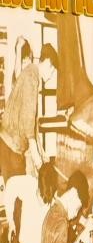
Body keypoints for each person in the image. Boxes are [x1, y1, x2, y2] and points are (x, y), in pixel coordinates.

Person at [0, 43, 56, 178]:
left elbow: (31, 123)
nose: (50, 76)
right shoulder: (32, 77)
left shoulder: (30, 72)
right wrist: (39, 164)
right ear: (47, 62)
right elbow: (29, 126)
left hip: (8, 143)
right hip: (12, 147)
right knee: (18, 189)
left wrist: (41, 153)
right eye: (52, 70)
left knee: (16, 188)